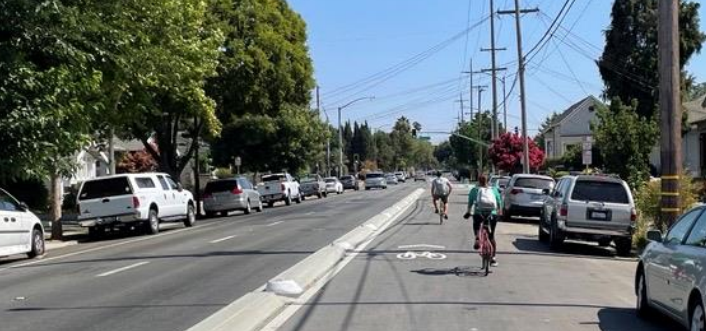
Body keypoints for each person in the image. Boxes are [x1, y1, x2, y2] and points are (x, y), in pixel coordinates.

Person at [464, 174, 503, 267]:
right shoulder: (493, 190)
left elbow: (470, 202)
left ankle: (477, 236)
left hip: (479, 213)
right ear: (488, 180)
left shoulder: (475, 190)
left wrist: (468, 212)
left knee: (476, 225)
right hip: (491, 214)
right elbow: (499, 202)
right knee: (491, 236)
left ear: (478, 181)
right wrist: (499, 212)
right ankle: (493, 258)